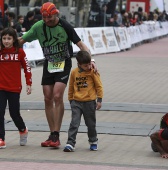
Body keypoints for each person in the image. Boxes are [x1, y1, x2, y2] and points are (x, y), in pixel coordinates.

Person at [18, 2, 96, 148]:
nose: (47, 21)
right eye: (45, 18)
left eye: (50, 18)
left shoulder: (65, 26)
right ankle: (53, 135)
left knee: (57, 95)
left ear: (56, 14)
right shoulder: (38, 27)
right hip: (49, 64)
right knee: (47, 97)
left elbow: (81, 45)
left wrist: (90, 60)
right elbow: (20, 41)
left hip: (63, 63)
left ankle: (57, 134)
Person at [63, 51, 103, 152]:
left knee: (90, 124)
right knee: (74, 123)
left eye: (90, 64)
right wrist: (70, 99)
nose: (89, 66)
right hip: (76, 102)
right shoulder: (74, 72)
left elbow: (99, 86)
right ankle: (70, 143)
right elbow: (71, 86)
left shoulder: (93, 72)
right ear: (79, 64)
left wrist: (99, 99)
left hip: (89, 102)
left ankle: (93, 141)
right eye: (86, 65)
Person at [0, 27, 32, 149]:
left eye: (9, 38)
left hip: (14, 88)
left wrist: (29, 83)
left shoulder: (19, 52)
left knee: (14, 113)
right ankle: (1, 138)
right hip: (1, 88)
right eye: (4, 38)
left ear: (14, 39)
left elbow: (27, 67)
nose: (6, 41)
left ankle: (23, 129)